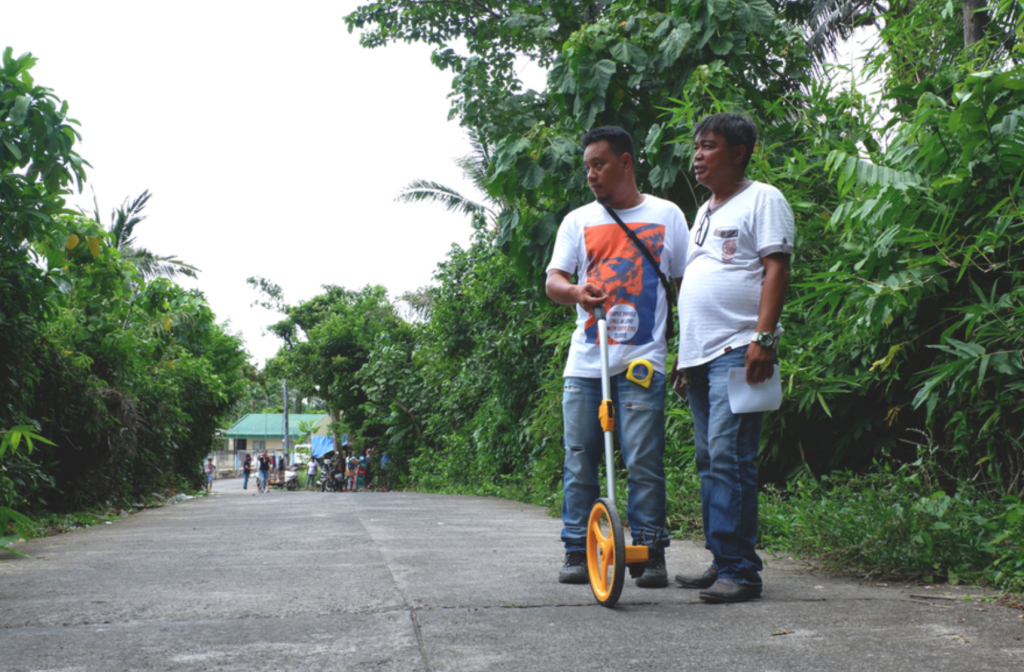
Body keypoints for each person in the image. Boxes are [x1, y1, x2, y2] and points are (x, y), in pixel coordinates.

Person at [545, 126, 689, 587]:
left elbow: (687, 285)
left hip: (643, 359)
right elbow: (554, 282)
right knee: (579, 458)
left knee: (645, 458)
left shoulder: (667, 215)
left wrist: (687, 350)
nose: (591, 174)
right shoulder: (577, 220)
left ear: (626, 162)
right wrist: (575, 292)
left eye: (599, 164)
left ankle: (649, 551)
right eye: (587, 166)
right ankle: (576, 549)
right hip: (586, 362)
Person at [672, 113, 794, 604]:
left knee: (730, 457)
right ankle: (724, 559)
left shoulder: (763, 198)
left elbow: (776, 267)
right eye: (697, 146)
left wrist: (763, 338)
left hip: (739, 350)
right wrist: (684, 357)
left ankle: (741, 571)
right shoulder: (704, 211)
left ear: (738, 152)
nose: (698, 155)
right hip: (701, 356)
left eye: (709, 146)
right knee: (709, 459)